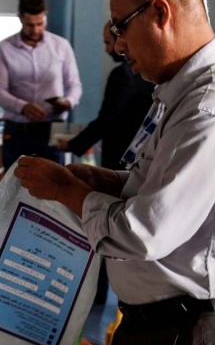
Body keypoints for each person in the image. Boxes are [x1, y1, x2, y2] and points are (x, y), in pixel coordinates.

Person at [14, 0, 215, 345]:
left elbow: (145, 231)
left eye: (121, 26)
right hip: (162, 325)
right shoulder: (180, 93)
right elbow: (165, 189)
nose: (118, 44)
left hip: (197, 331)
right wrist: (107, 182)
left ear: (160, 12)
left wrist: (65, 189)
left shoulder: (210, 107)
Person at [58, 22, 154, 305]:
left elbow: (106, 120)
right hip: (139, 163)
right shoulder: (149, 76)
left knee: (102, 226)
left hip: (117, 162)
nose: (108, 49)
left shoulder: (122, 75)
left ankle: (97, 293)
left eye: (107, 43)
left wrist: (73, 144)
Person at [0, 0, 83, 170]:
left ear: (45, 16)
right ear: (20, 18)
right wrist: (23, 107)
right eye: (30, 25)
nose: (35, 30)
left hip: (52, 129)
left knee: (55, 181)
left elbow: (74, 85)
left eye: (40, 23)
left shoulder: (61, 46)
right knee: (14, 182)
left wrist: (68, 102)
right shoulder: (3, 48)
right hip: (18, 131)